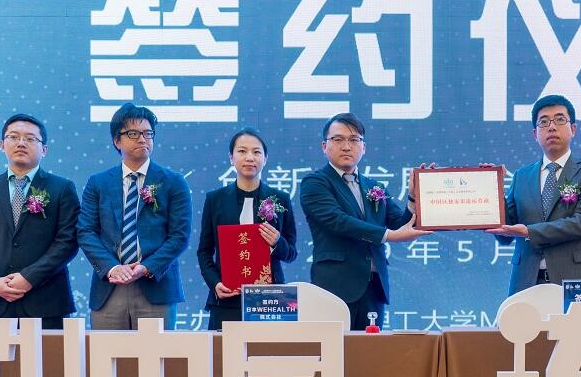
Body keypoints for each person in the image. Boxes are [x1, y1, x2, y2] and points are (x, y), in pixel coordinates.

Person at [298, 112, 431, 330]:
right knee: (334, 350)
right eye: (338, 139)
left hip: (373, 288)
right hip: (334, 288)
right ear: (324, 146)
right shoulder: (315, 183)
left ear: (364, 147)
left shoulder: (374, 186)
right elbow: (338, 221)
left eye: (354, 140)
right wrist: (388, 236)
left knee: (371, 350)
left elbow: (399, 224)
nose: (346, 146)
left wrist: (413, 198)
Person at [77, 102, 191, 330]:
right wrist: (112, 267)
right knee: (107, 351)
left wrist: (146, 267)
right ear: (117, 140)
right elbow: (86, 231)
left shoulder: (173, 182)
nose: (142, 139)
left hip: (155, 286)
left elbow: (180, 236)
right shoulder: (98, 183)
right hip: (110, 286)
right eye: (133, 133)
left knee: (157, 352)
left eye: (148, 133)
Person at [0, 113, 80, 329]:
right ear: (2, 145)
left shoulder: (62, 188)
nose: (21, 143)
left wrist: (29, 277)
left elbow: (68, 241)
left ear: (44, 149)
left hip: (47, 302)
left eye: (30, 138)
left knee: (49, 354)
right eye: (14, 137)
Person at [488, 94, 581, 294]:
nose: (551, 127)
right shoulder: (521, 176)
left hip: (576, 280)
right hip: (526, 281)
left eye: (560, 119)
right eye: (544, 122)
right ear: (535, 134)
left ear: (573, 129)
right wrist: (492, 191)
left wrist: (529, 232)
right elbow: (505, 235)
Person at [195, 127, 298, 329]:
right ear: (231, 158)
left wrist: (277, 242)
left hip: (270, 299)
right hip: (227, 296)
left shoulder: (281, 199)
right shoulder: (215, 199)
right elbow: (204, 251)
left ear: (265, 159)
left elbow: (292, 253)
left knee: (269, 349)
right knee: (223, 349)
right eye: (242, 151)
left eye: (256, 152)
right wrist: (215, 283)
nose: (249, 157)